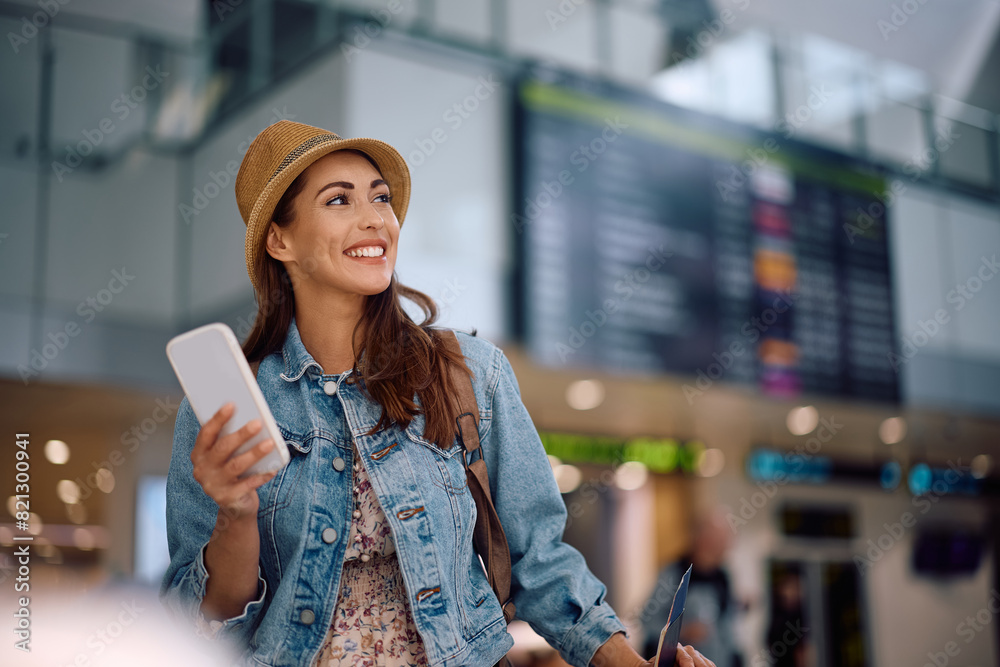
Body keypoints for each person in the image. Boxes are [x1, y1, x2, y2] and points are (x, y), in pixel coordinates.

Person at [159, 120, 718, 667]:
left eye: (380, 198)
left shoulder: (469, 374)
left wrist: (629, 663)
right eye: (339, 201)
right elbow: (204, 614)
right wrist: (235, 514)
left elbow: (540, 560)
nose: (376, 219)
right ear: (280, 240)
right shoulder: (226, 407)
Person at [640, 511, 742, 666]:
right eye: (719, 539)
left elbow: (728, 628)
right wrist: (683, 631)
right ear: (702, 539)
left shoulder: (724, 577)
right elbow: (647, 620)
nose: (725, 546)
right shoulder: (673, 574)